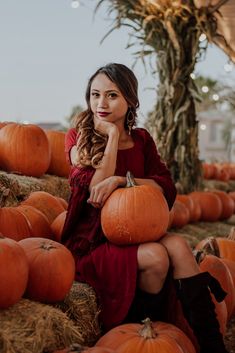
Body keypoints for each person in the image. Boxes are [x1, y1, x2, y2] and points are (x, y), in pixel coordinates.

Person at [61, 63, 228, 353]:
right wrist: (112, 137)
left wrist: (123, 181)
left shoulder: (142, 140)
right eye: (95, 94)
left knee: (177, 245)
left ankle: (213, 345)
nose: (101, 103)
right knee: (156, 256)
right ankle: (135, 332)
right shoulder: (79, 138)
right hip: (93, 242)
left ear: (130, 100)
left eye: (112, 95)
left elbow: (165, 186)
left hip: (137, 232)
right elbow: (95, 193)